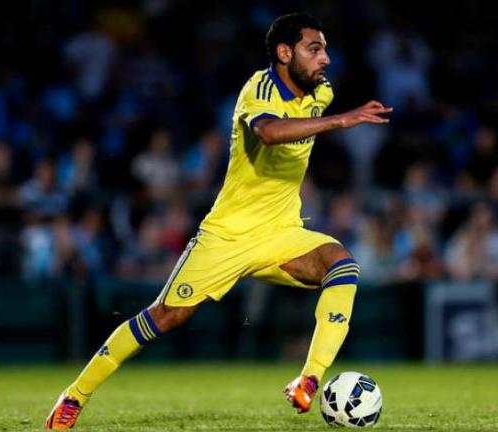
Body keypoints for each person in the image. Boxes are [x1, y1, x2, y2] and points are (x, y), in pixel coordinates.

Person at [45, 13, 392, 429]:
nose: (326, 59)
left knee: (343, 265)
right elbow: (268, 132)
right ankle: (75, 395)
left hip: (281, 232)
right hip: (227, 235)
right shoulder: (258, 89)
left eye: (326, 49)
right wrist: (341, 120)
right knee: (164, 316)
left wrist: (336, 115)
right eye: (314, 49)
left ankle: (309, 379)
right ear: (285, 53)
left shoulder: (322, 92)